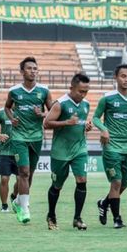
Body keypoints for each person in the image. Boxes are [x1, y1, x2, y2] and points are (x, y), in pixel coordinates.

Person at [92, 64, 127, 229]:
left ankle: (104, 203)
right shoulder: (107, 98)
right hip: (111, 147)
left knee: (123, 184)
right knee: (116, 182)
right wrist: (104, 129)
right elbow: (95, 118)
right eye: (123, 76)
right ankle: (117, 219)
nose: (126, 79)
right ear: (116, 78)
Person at [4, 56, 52, 224]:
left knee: (29, 173)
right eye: (29, 68)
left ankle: (18, 201)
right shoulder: (14, 91)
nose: (33, 71)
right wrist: (11, 118)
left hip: (36, 137)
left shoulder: (44, 91)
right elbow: (7, 107)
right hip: (18, 137)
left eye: (35, 68)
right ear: (22, 71)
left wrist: (43, 114)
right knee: (23, 172)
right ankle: (24, 209)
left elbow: (53, 111)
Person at [44, 73, 92, 231]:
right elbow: (46, 123)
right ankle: (51, 215)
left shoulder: (86, 104)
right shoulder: (60, 104)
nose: (83, 95)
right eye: (80, 91)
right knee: (57, 185)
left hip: (79, 149)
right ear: (72, 88)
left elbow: (81, 123)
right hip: (61, 151)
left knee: (82, 180)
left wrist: (86, 126)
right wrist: (66, 122)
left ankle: (77, 218)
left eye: (86, 91)